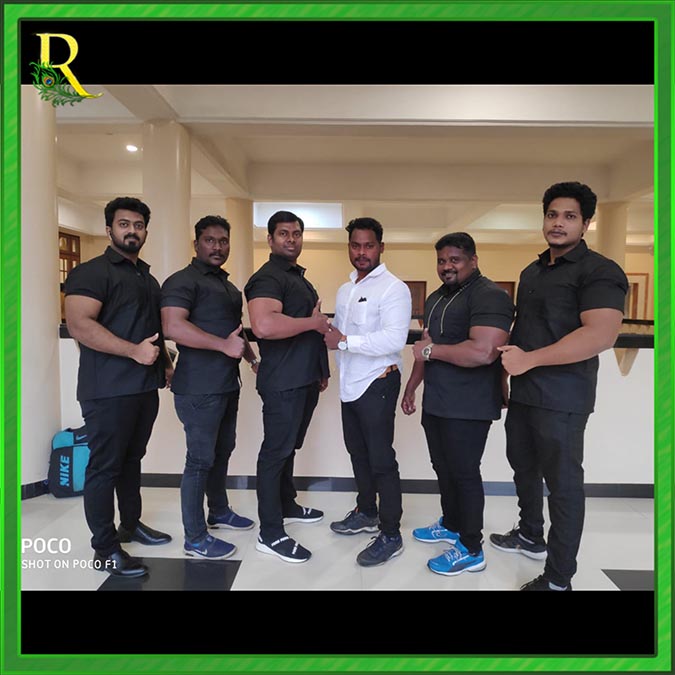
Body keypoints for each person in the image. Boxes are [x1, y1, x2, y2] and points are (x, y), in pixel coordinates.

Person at [490, 181, 628, 591]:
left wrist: (530, 360)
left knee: (563, 487)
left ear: (586, 223)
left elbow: (600, 334)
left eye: (570, 216)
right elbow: (523, 329)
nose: (558, 223)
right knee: (523, 467)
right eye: (552, 214)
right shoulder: (531, 272)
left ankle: (558, 578)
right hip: (525, 394)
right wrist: (504, 375)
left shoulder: (600, 270)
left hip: (563, 398)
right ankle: (530, 533)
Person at [64, 196, 172, 578]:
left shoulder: (147, 278)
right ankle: (105, 549)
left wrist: (165, 362)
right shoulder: (91, 273)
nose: (132, 231)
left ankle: (130, 524)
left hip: (143, 387)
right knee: (104, 468)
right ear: (109, 229)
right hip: (107, 389)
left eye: (138, 225)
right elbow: (79, 325)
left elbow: (152, 331)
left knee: (131, 460)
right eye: (124, 224)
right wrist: (133, 352)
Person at [402, 233, 514, 576]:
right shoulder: (436, 298)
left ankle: (471, 548)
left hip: (470, 404)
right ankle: (451, 523)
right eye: (441, 260)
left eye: (455, 260)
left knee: (464, 472)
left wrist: (429, 351)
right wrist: (412, 386)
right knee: (443, 467)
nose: (446, 266)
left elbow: (483, 352)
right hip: (438, 399)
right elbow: (425, 348)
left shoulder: (491, 296)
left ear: (473, 260)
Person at [161, 215, 259, 560]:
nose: (217, 247)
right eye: (210, 240)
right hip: (198, 388)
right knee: (200, 460)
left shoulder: (228, 287)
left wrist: (252, 359)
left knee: (223, 450)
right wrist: (222, 346)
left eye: (223, 241)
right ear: (196, 244)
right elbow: (173, 326)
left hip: (226, 384)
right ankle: (195, 537)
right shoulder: (182, 281)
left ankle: (218, 511)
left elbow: (236, 332)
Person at [244, 211, 330, 563]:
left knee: (288, 448)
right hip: (283, 381)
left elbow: (311, 330)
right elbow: (264, 326)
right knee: (275, 453)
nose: (291, 239)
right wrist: (312, 322)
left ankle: (287, 504)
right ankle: (270, 532)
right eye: (283, 233)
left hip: (304, 378)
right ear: (270, 239)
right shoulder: (268, 277)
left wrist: (320, 369)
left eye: (296, 233)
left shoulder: (296, 277)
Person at [324, 218, 412, 566]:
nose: (362, 252)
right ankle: (366, 512)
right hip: (350, 384)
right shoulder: (345, 290)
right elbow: (338, 337)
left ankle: (391, 533)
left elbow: (393, 339)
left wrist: (345, 341)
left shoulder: (393, 289)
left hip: (378, 381)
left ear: (381, 247)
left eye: (369, 245)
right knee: (358, 453)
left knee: (381, 460)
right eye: (356, 245)